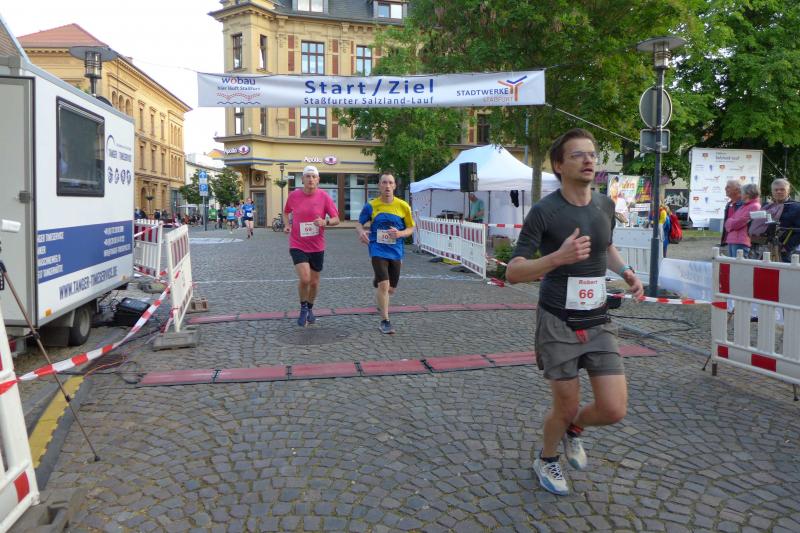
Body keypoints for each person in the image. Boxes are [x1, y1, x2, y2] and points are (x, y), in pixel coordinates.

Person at [506, 128, 644, 496]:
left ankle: (574, 430)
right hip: (558, 321)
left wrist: (626, 272)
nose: (588, 160)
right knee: (565, 406)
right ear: (558, 165)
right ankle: (547, 458)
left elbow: (606, 246)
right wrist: (558, 258)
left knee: (614, 408)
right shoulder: (545, 211)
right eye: (578, 155)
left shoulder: (604, 206)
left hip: (598, 319)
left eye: (592, 154)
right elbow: (513, 272)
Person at [355, 172, 415, 334]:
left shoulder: (403, 206)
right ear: (379, 186)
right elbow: (359, 223)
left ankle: (379, 287)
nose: (387, 186)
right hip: (377, 248)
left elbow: (411, 228)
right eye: (384, 182)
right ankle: (385, 321)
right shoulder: (371, 205)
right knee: (384, 285)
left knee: (391, 289)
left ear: (394, 186)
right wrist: (361, 232)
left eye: (390, 182)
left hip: (396, 250)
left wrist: (400, 233)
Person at [282, 165, 340, 326]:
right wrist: (287, 225)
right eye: (308, 176)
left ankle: (310, 308)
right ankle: (303, 308)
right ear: (302, 179)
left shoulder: (324, 197)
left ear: (318, 180)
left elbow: (336, 219)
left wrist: (325, 222)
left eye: (314, 177)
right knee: (305, 278)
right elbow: (286, 212)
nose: (311, 179)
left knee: (314, 282)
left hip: (317, 246)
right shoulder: (294, 195)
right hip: (297, 244)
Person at [723, 183, 760, 257]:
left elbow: (739, 222)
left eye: (741, 192)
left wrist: (731, 223)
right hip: (733, 239)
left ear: (747, 194)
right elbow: (728, 222)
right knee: (732, 263)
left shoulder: (754, 206)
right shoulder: (744, 206)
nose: (740, 195)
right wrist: (732, 222)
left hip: (741, 241)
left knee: (738, 264)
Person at [720, 180, 743, 253]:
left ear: (737, 189)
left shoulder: (744, 204)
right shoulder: (729, 204)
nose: (725, 188)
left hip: (740, 242)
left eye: (728, 187)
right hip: (729, 241)